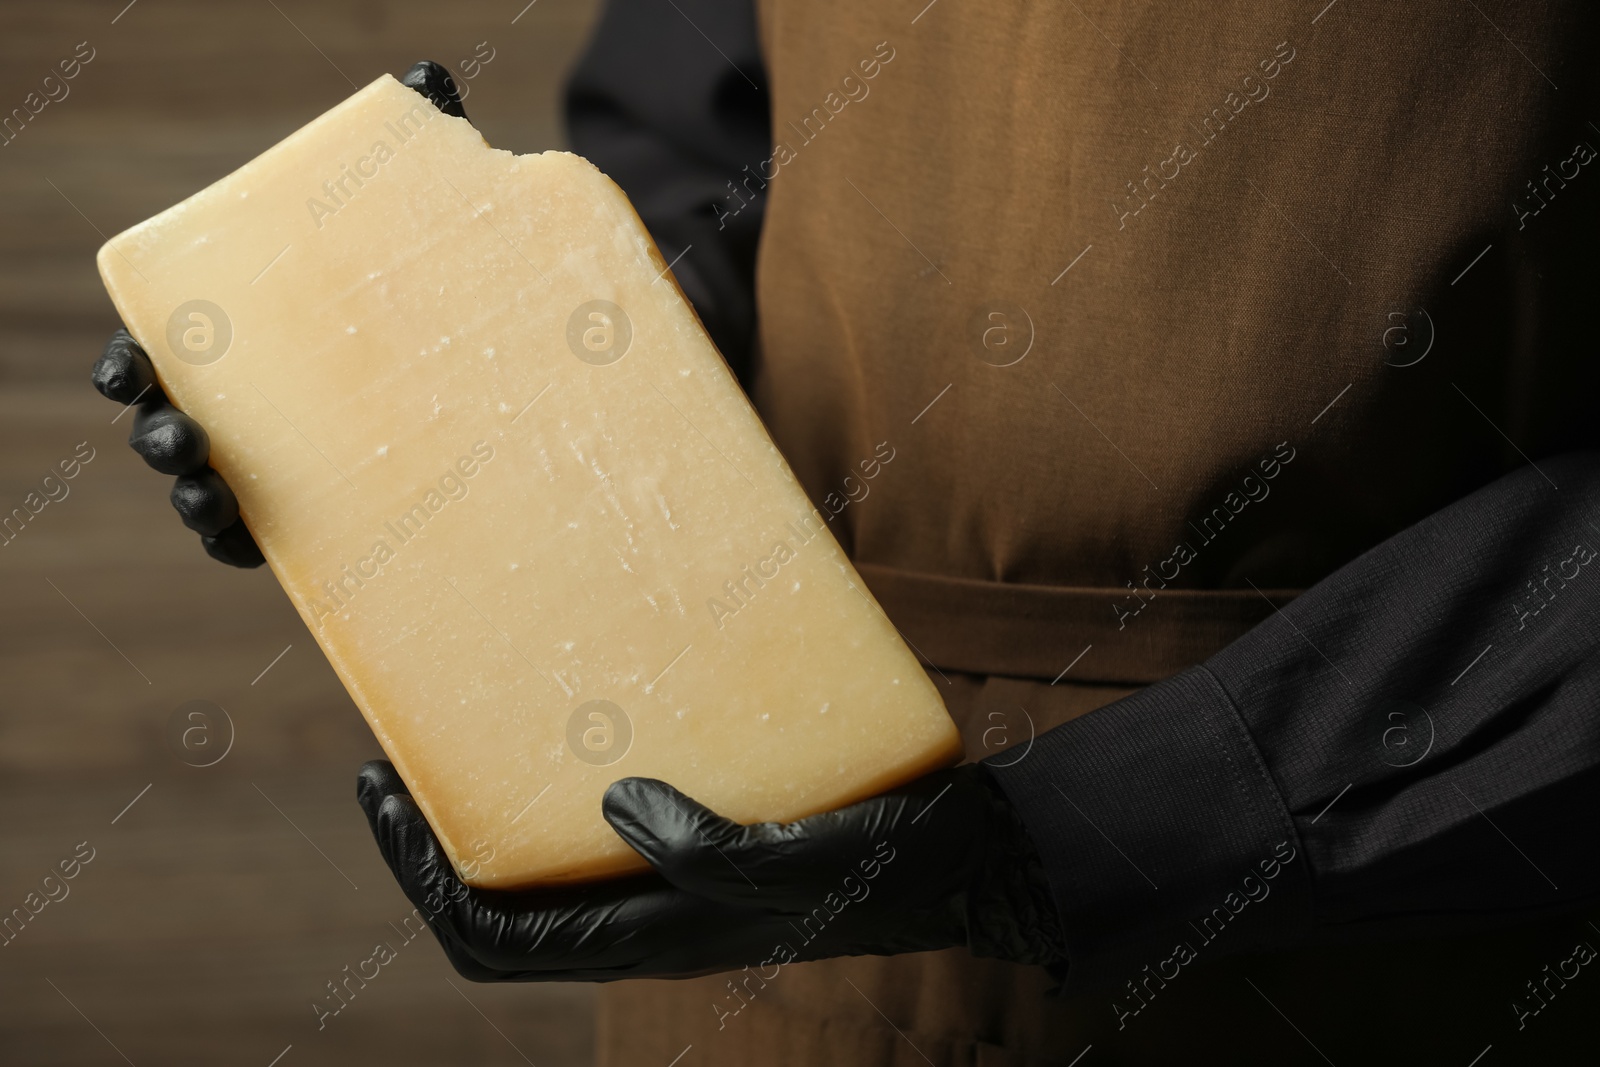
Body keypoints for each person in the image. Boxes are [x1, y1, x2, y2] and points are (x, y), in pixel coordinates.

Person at [93, 2, 1600, 1062]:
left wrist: (1089, 830)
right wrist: (476, 404)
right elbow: (710, 160)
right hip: (758, 930)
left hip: (1396, 914)